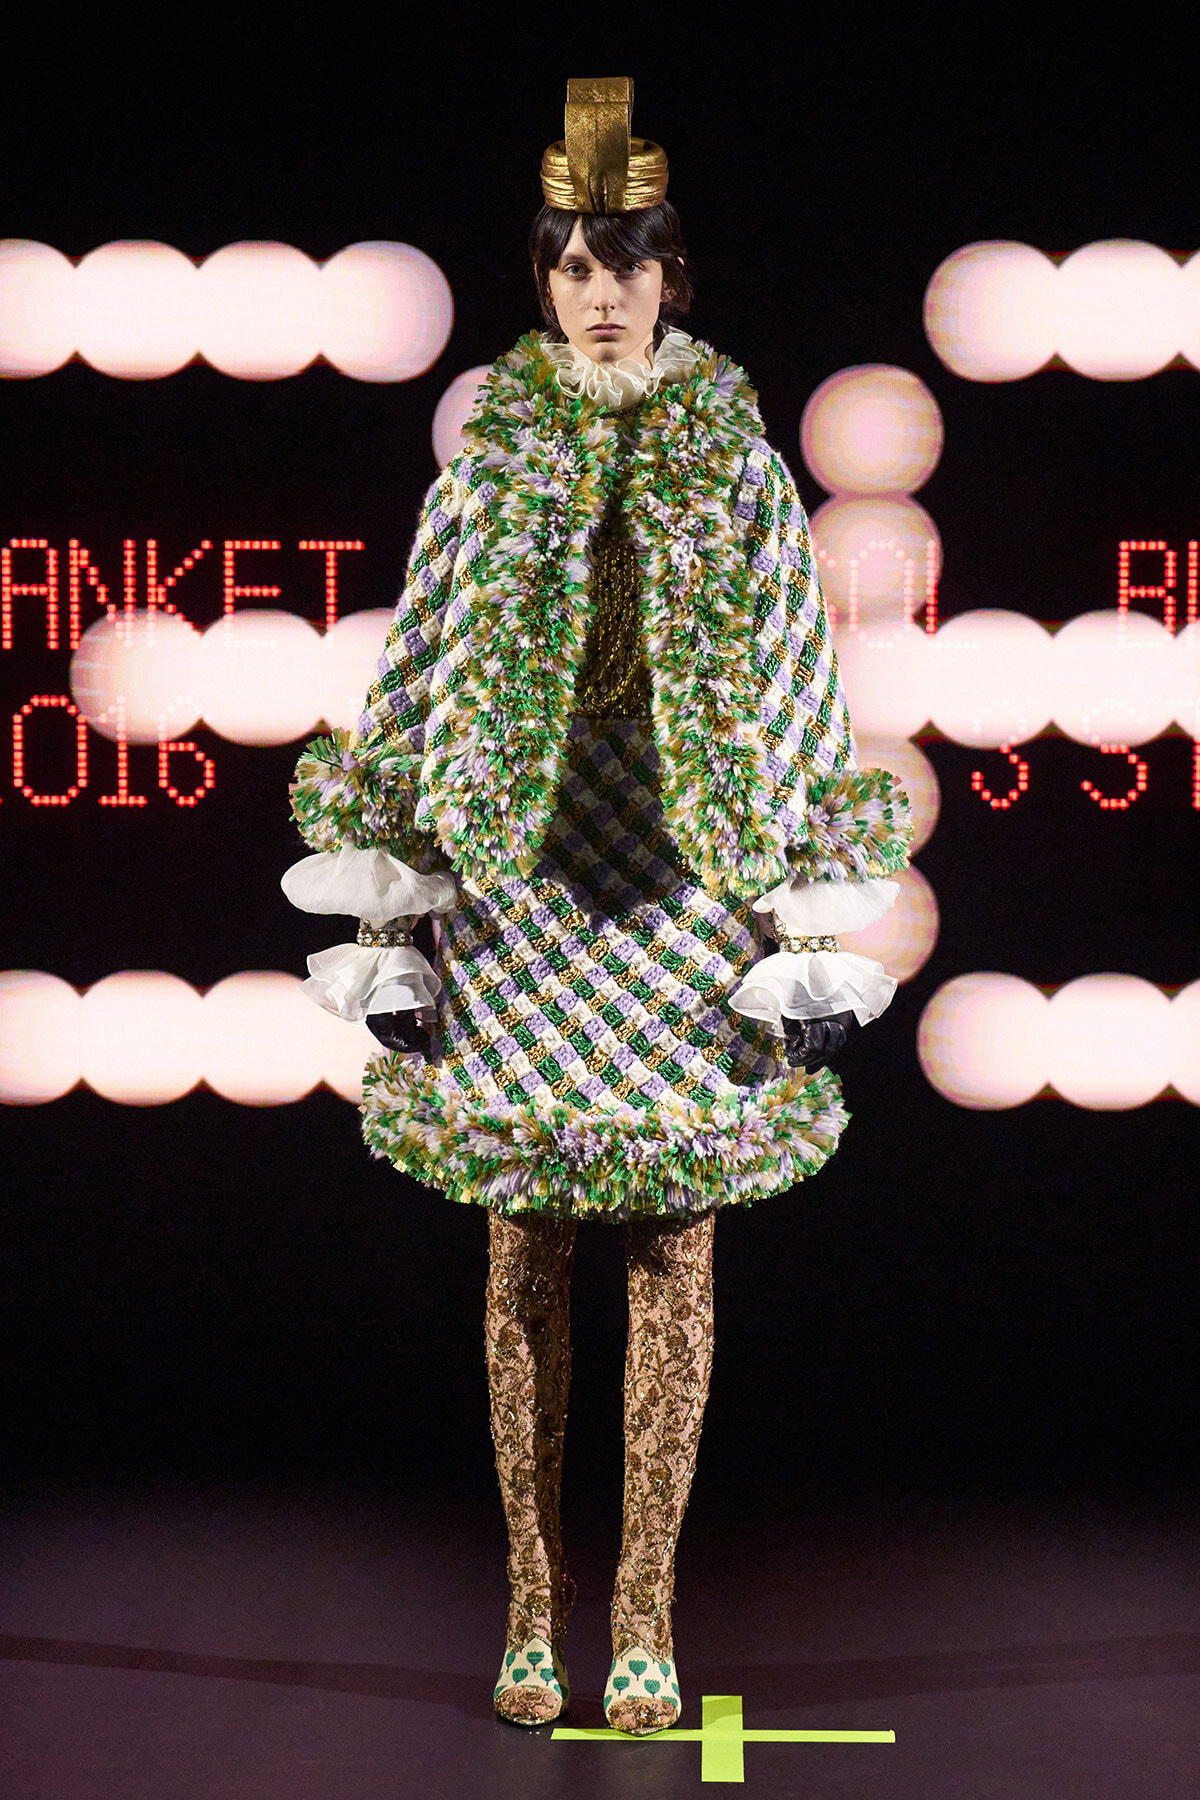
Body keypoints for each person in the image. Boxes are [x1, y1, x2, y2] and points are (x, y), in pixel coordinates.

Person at [282, 77, 911, 1736]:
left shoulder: (735, 453)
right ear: (545, 279)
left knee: (676, 1259)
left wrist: (806, 916)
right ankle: (528, 1611)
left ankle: (644, 1617)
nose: (604, 289)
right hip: (522, 885)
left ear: (671, 275)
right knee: (523, 1259)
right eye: (574, 262)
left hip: (684, 883)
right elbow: (420, 665)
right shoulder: (494, 447)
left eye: (629, 260)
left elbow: (793, 676)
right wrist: (384, 913)